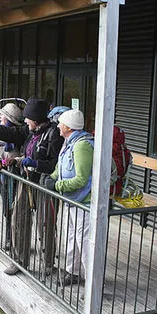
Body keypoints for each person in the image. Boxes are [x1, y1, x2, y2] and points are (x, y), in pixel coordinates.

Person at [0, 98, 63, 276]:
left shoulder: (53, 135)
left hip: (45, 186)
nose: (25, 121)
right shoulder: (29, 131)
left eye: (28, 118)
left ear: (36, 118)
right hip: (26, 181)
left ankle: (49, 264)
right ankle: (19, 262)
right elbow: (7, 132)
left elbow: (56, 164)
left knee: (46, 224)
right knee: (19, 218)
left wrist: (36, 163)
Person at [44, 109, 94, 286]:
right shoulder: (69, 142)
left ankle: (92, 282)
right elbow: (61, 166)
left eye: (61, 123)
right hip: (73, 200)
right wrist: (53, 177)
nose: (58, 125)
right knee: (72, 236)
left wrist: (57, 186)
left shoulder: (82, 146)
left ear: (69, 127)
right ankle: (73, 272)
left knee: (85, 241)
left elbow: (81, 179)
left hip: (84, 201)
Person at [0, 103, 24, 251]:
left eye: (2, 115)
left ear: (8, 119)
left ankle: (17, 241)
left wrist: (16, 161)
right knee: (7, 209)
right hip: (3, 177)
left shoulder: (20, 137)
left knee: (18, 210)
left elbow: (25, 154)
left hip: (17, 176)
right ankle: (9, 238)